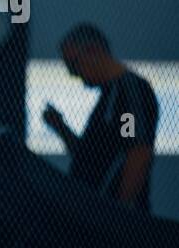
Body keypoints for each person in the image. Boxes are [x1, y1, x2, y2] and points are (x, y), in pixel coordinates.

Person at [42, 24, 158, 212]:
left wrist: (119, 213)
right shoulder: (109, 97)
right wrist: (60, 127)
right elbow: (93, 158)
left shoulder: (128, 92)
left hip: (113, 219)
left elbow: (138, 152)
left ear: (93, 51)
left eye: (73, 64)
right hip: (96, 214)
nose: (73, 74)